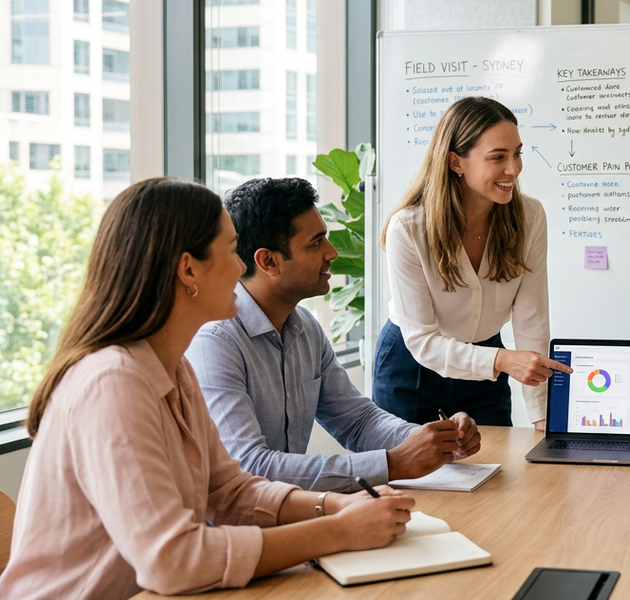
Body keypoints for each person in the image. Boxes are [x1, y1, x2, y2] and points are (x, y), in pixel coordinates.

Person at [0, 178, 415, 600]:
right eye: (231, 250)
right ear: (188, 270)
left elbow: (231, 492)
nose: (241, 267)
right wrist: (337, 531)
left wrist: (334, 506)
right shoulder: (112, 381)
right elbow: (172, 560)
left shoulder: (172, 368)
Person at [187, 177, 479, 492]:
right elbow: (251, 467)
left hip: (286, 511)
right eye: (316, 243)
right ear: (268, 261)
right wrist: (393, 463)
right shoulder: (214, 340)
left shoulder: (304, 327)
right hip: (235, 521)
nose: (332, 252)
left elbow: (357, 420)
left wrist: (434, 440)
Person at [375, 96, 571, 429]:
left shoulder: (530, 217)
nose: (513, 169)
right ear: (456, 162)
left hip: (487, 369)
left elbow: (532, 320)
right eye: (498, 157)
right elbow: (423, 341)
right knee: (413, 463)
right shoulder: (408, 228)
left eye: (517, 154)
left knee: (497, 460)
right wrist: (501, 359)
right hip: (412, 368)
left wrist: (542, 415)